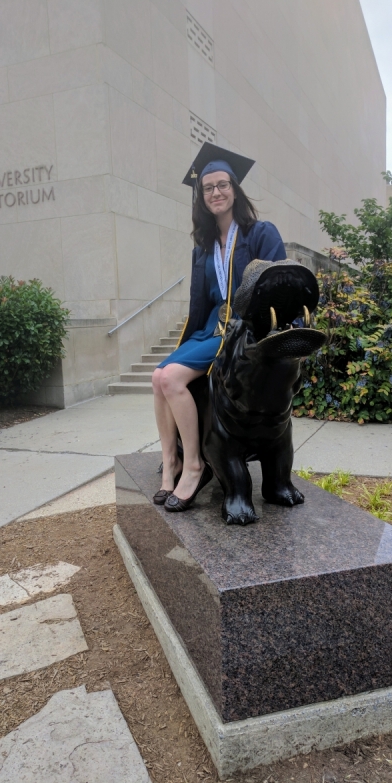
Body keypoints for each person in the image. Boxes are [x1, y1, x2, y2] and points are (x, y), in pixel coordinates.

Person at [151, 142, 287, 511]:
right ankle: (172, 464)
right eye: (208, 188)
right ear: (202, 197)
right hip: (213, 329)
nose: (216, 192)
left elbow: (277, 286)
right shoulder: (204, 246)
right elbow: (203, 302)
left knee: (171, 379)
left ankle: (194, 465)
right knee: (158, 377)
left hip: (244, 329)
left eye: (222, 185)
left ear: (235, 189)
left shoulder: (261, 233)